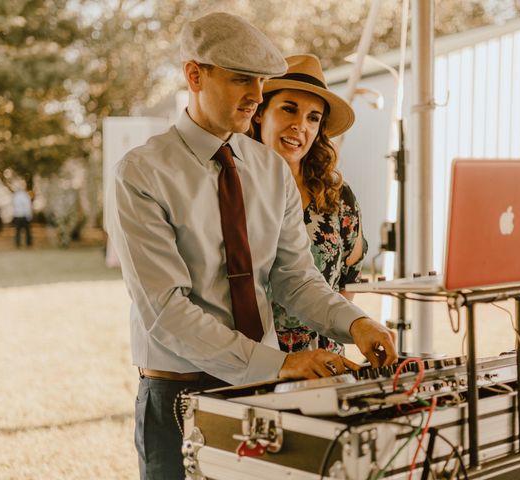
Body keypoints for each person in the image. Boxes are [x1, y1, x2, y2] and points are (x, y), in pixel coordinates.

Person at [104, 12, 397, 480]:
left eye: (261, 81)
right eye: (242, 79)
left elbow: (296, 279)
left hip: (261, 392)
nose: (256, 96)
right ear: (195, 75)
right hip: (177, 398)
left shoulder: (270, 169)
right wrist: (281, 363)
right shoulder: (141, 172)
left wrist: (356, 323)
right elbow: (165, 310)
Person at [250, 54, 366, 355]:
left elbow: (348, 282)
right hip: (255, 361)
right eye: (289, 109)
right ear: (260, 112)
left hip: (324, 360)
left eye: (313, 118)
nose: (299, 126)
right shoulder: (233, 187)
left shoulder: (339, 197)